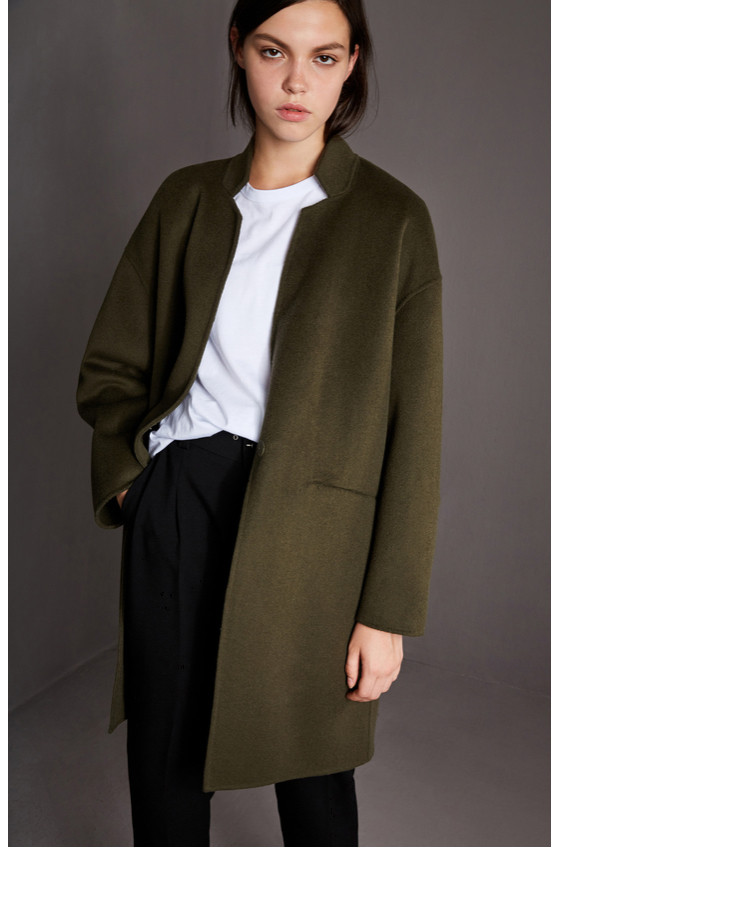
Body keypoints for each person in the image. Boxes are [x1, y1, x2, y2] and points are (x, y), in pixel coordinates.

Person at [76, 0, 442, 847]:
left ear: (352, 63)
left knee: (316, 777)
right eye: (275, 52)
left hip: (317, 531)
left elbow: (415, 432)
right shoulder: (186, 200)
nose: (296, 81)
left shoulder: (392, 220)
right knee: (166, 765)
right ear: (239, 48)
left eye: (324, 57)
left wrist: (386, 611)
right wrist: (136, 487)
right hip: (180, 500)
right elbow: (111, 367)